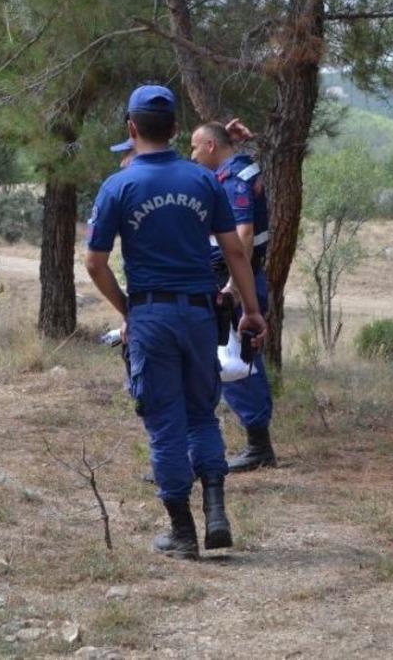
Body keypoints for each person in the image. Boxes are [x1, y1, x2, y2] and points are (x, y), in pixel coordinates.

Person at [85, 85, 267, 560]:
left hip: (151, 315)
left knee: (166, 424)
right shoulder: (204, 181)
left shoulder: (118, 186)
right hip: (200, 314)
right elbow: (235, 250)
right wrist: (251, 310)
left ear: (132, 128)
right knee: (202, 414)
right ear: (173, 128)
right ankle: (216, 511)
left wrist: (128, 309)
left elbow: (94, 264)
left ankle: (182, 532)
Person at [190, 121, 278, 472]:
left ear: (211, 146)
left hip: (235, 281)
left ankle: (259, 447)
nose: (192, 155)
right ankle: (254, 443)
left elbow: (244, 234)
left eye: (195, 147)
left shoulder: (233, 178)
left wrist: (232, 286)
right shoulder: (239, 168)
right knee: (234, 358)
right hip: (237, 278)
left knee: (239, 361)